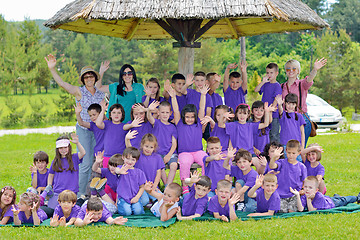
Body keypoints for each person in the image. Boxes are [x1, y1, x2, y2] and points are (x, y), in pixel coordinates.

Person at [45, 54, 105, 198]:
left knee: (96, 161)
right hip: (84, 129)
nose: (89, 79)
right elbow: (62, 84)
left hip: (97, 131)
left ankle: (92, 193)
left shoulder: (100, 93)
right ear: (83, 80)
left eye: (91, 76)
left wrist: (102, 72)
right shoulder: (79, 91)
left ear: (95, 78)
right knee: (85, 163)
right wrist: (52, 69)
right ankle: (80, 194)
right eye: (86, 77)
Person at [168, 83, 208, 194]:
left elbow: (202, 108)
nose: (190, 119)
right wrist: (173, 97)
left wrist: (203, 95)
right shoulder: (180, 124)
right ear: (183, 117)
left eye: (192, 117)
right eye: (187, 117)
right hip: (184, 152)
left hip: (198, 151)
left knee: (207, 160)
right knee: (185, 164)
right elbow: (176, 110)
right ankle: (185, 188)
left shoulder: (198, 123)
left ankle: (203, 185)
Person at [281, 58, 327, 146]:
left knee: (300, 147)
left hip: (301, 118)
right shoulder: (282, 86)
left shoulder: (302, 84)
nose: (291, 71)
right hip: (287, 120)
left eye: (294, 68)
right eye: (288, 69)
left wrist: (315, 69)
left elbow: (309, 79)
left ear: (298, 71)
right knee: (288, 148)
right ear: (285, 71)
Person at [225, 103, 272, 173]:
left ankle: (257, 180)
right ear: (236, 114)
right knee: (236, 166)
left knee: (260, 164)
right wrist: (223, 117)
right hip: (238, 153)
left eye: (244, 113)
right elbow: (221, 125)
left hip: (250, 152)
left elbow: (266, 124)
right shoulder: (233, 125)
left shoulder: (251, 125)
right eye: (240, 113)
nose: (242, 116)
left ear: (248, 115)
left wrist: (267, 112)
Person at [45, 134, 86, 212]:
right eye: (60, 148)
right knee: (52, 210)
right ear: (57, 149)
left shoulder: (74, 158)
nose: (63, 150)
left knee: (70, 211)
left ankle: (80, 201)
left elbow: (83, 153)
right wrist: (49, 185)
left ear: (69, 147)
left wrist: (77, 143)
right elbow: (51, 174)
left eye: (65, 147)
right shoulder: (55, 161)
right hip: (58, 192)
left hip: (71, 192)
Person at [125, 133, 165, 206]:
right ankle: (148, 201)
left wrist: (155, 186)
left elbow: (158, 173)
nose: (148, 149)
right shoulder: (138, 155)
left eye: (151, 147)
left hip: (152, 186)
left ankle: (153, 201)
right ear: (142, 145)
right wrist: (127, 139)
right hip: (140, 186)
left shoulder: (157, 157)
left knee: (162, 198)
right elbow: (129, 149)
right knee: (144, 201)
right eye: (146, 146)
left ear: (154, 148)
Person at [268, 140, 307, 213]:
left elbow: (305, 181)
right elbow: (272, 166)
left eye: (293, 153)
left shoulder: (302, 167)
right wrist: (273, 157)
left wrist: (302, 190)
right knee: (282, 211)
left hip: (294, 195)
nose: (291, 155)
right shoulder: (281, 162)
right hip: (281, 195)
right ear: (286, 151)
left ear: (298, 153)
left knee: (292, 210)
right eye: (289, 153)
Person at [147, 101, 178, 185]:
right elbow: (149, 118)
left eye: (167, 112)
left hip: (170, 152)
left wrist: (169, 155)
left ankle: (168, 187)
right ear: (158, 113)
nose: (165, 114)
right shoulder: (156, 123)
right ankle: (167, 186)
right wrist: (149, 110)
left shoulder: (172, 127)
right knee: (161, 167)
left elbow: (174, 144)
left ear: (170, 113)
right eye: (162, 112)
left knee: (174, 165)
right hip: (158, 153)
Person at [291, 176, 360, 212]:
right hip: (327, 199)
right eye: (305, 187)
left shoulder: (319, 196)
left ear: (316, 190)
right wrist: (297, 195)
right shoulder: (305, 195)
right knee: (336, 198)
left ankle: (357, 197)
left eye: (310, 187)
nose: (307, 189)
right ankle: (336, 196)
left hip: (333, 203)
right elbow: (301, 209)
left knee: (344, 200)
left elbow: (311, 210)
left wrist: (308, 200)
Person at [223, 148, 258, 212]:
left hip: (251, 195)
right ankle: (240, 203)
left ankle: (242, 205)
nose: (242, 164)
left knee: (250, 208)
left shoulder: (253, 174)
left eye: (244, 161)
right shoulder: (237, 169)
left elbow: (244, 189)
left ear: (250, 162)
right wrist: (228, 158)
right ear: (236, 163)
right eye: (239, 162)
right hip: (241, 194)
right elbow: (225, 166)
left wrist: (233, 198)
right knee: (237, 185)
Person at [254, 63, 282, 143]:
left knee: (273, 134)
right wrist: (263, 82)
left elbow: (275, 101)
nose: (269, 75)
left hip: (273, 115)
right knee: (264, 133)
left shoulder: (277, 86)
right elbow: (256, 90)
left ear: (276, 73)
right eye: (267, 73)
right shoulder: (265, 84)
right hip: (264, 114)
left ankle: (276, 152)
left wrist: (270, 110)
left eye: (271, 73)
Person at [115, 147, 146, 216]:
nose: (129, 161)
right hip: (123, 198)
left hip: (135, 197)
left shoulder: (139, 172)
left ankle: (134, 206)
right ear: (123, 157)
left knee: (138, 212)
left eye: (133, 159)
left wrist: (137, 197)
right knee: (127, 212)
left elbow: (142, 187)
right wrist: (120, 171)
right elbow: (116, 171)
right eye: (128, 158)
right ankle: (121, 205)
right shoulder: (120, 168)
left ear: (136, 161)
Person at [95, 102, 127, 167]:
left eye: (119, 113)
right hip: (107, 156)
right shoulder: (107, 124)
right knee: (107, 175)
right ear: (110, 115)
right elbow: (98, 124)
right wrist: (103, 110)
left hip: (120, 157)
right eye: (114, 112)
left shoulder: (125, 126)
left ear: (122, 115)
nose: (116, 115)